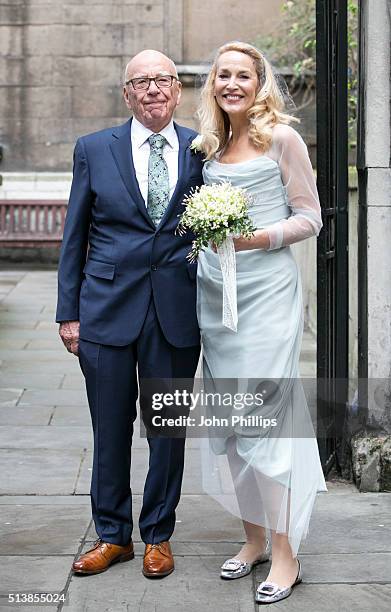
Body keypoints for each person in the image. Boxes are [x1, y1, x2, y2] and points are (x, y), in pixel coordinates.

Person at [56, 50, 203, 578]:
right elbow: (74, 235)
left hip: (176, 312)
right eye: (141, 82)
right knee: (110, 428)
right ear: (127, 93)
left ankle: (159, 535)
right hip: (106, 310)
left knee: (166, 428)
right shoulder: (95, 149)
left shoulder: (201, 149)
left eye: (163, 80)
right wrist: (67, 313)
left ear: (177, 90)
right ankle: (112, 535)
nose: (153, 90)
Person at [196, 41, 327, 604]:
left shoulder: (283, 140)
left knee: (266, 421)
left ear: (259, 82)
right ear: (213, 86)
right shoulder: (210, 144)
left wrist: (255, 238)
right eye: (222, 75)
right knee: (229, 423)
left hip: (267, 297)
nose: (231, 84)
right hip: (215, 296)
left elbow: (310, 218)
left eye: (242, 76)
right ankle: (251, 539)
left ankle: (285, 554)